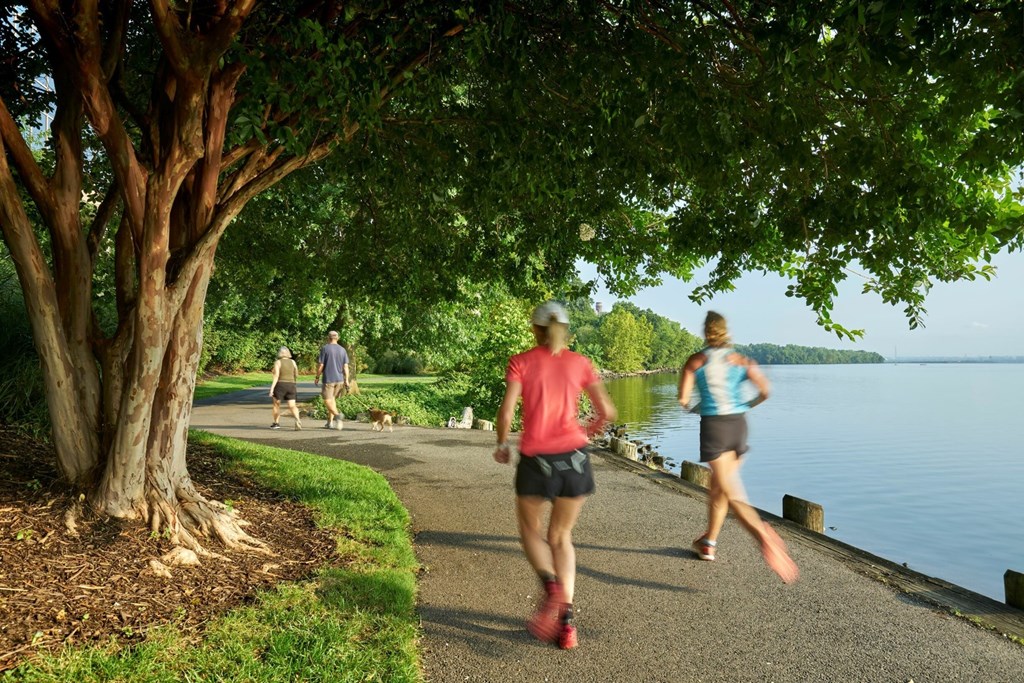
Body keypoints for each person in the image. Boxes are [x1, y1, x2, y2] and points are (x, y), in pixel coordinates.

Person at [493, 301, 617, 650]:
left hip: (537, 460)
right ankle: (567, 624)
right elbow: (607, 410)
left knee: (531, 531)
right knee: (561, 537)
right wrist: (587, 432)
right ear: (566, 329)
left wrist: (502, 444)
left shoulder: (521, 361)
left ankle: (551, 587)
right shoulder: (580, 363)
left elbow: (506, 412)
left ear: (535, 329)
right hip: (575, 459)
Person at [677, 311, 799, 583]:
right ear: (725, 331)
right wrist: (746, 405)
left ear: (706, 332)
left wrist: (699, 406)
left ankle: (761, 536)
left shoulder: (696, 361)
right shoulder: (739, 360)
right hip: (738, 425)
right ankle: (708, 542)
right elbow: (765, 391)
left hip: (715, 429)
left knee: (732, 493)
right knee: (721, 487)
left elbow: (683, 399)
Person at [314, 331, 350, 429]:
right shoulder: (343, 350)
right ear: (337, 338)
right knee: (332, 400)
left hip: (329, 379)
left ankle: (337, 416)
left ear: (328, 338)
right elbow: (346, 366)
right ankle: (329, 422)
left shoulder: (325, 348)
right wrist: (346, 380)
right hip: (339, 380)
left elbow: (321, 365)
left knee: (327, 400)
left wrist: (317, 377)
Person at [269, 346, 302, 430]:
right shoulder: (293, 362)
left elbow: (276, 375)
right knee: (292, 405)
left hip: (280, 384)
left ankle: (276, 423)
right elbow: (296, 374)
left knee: (276, 405)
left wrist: (272, 389)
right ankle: (297, 419)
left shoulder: (278, 362)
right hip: (291, 385)